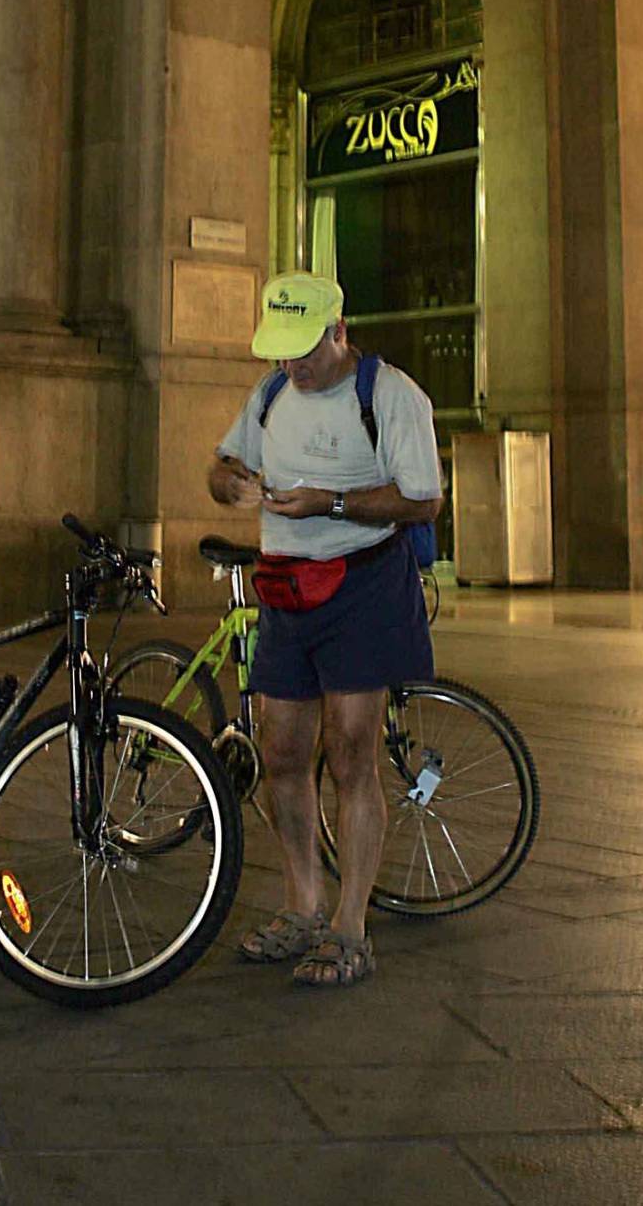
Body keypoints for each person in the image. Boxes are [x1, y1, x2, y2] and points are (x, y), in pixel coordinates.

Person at [209, 270, 441, 989]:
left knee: (349, 752)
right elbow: (220, 466)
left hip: (363, 584)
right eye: (280, 351)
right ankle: (301, 904)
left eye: (303, 351)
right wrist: (233, 484)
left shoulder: (392, 395)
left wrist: (330, 503)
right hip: (286, 589)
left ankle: (350, 925)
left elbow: (423, 500)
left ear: (339, 331)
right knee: (281, 751)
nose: (290, 366)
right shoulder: (271, 392)